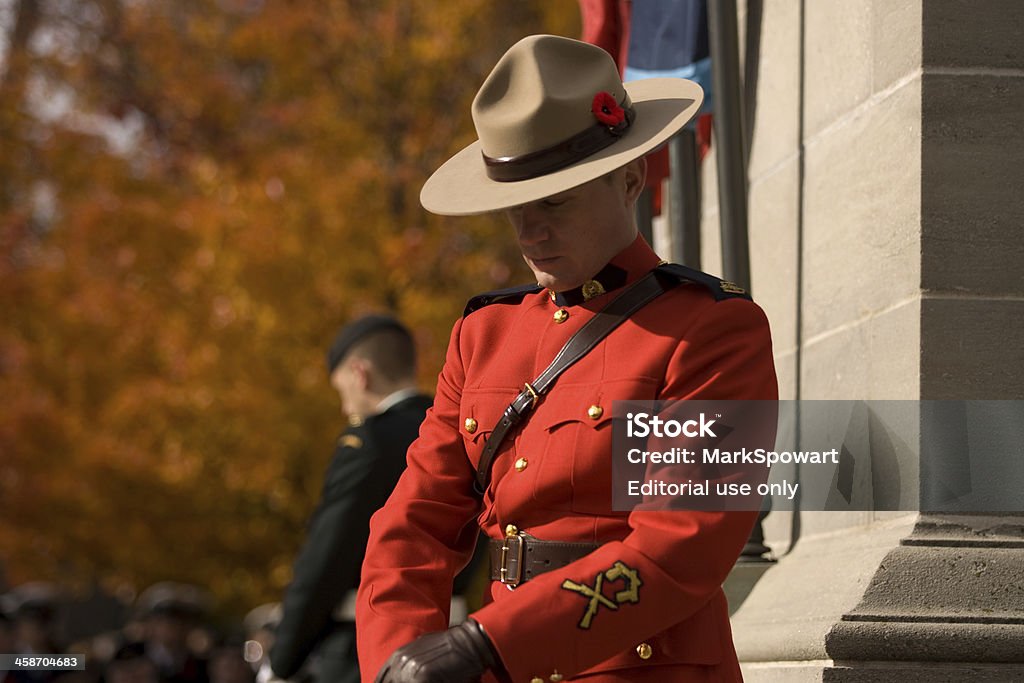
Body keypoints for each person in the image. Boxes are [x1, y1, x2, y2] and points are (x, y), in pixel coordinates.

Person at [355, 34, 778, 682]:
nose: (530, 231)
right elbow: (411, 530)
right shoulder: (482, 335)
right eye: (516, 206)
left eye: (554, 200)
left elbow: (681, 549)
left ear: (631, 177)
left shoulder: (714, 329)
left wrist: (488, 645)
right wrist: (398, 659)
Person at [269, 316, 434, 683]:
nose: (346, 409)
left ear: (361, 374)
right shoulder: (456, 432)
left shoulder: (368, 444)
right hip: (451, 646)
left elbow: (326, 558)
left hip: (364, 650)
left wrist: (282, 660)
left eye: (342, 392)